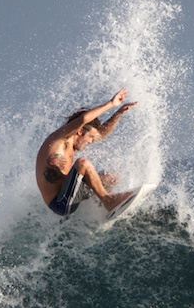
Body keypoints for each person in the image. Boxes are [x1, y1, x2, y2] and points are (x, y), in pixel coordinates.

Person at [36, 87, 136, 216]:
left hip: (71, 193)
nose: (90, 141)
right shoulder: (59, 139)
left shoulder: (72, 145)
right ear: (79, 131)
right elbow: (84, 119)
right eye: (90, 137)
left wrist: (118, 113)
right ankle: (108, 201)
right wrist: (111, 104)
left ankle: (101, 207)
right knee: (82, 163)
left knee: (111, 178)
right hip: (60, 203)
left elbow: (101, 134)